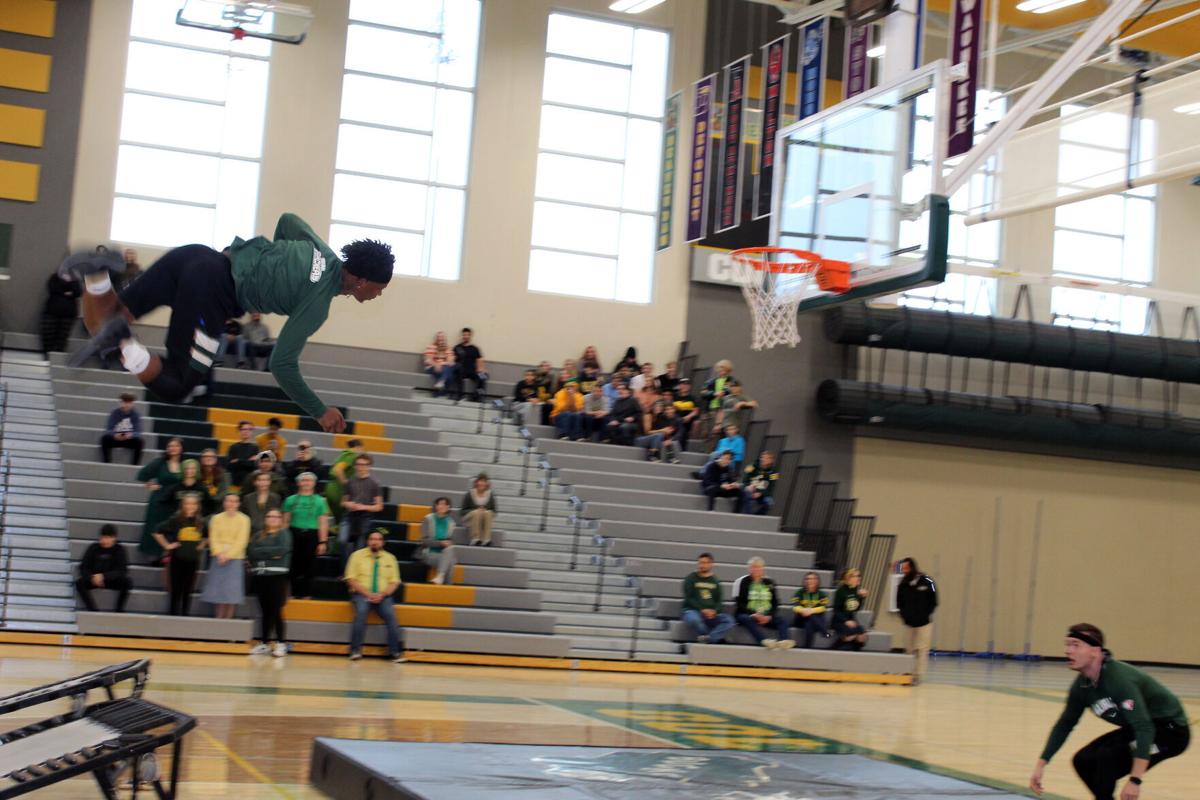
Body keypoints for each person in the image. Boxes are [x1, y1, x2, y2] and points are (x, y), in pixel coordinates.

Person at [62, 212, 394, 433]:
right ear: (363, 282)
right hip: (214, 293)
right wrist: (319, 410)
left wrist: (274, 258)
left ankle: (96, 275)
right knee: (180, 385)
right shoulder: (318, 305)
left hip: (195, 256)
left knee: (103, 321)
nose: (378, 297)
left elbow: (288, 221)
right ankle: (126, 344)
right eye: (380, 290)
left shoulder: (320, 249)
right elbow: (282, 364)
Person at [1029, 624, 1190, 800]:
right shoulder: (1082, 686)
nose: (1068, 651)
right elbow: (1065, 724)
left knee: (1107, 758)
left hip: (1171, 732)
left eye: (1075, 645)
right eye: (1067, 644)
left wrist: (1135, 781)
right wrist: (1041, 764)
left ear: (1095, 651)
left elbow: (1144, 728)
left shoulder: (1119, 680)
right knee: (1083, 760)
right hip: (1142, 727)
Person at [345, 529, 405, 662]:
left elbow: (394, 582)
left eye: (378, 540)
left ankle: (395, 653)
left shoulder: (390, 558)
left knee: (391, 616)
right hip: (361, 594)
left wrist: (381, 595)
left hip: (383, 596)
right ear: (368, 541)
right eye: (372, 539)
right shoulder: (356, 555)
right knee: (361, 613)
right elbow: (351, 579)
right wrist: (368, 594)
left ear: (382, 543)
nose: (374, 542)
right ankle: (355, 651)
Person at [246, 508, 292, 658]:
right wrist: (271, 553)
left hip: (277, 576)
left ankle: (280, 643)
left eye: (276, 517)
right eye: (269, 516)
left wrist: (263, 552)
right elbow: (252, 552)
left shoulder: (284, 534)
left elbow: (281, 550)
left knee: (276, 610)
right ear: (265, 519)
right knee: (265, 611)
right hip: (260, 575)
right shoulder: (258, 535)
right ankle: (264, 643)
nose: (272, 519)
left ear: (280, 519)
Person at [153, 493, 207, 616]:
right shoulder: (176, 519)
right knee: (176, 591)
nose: (190, 506)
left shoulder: (201, 521)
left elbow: (207, 536)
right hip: (177, 560)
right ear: (183, 505)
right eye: (187, 503)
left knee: (188, 591)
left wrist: (202, 545)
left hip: (193, 561)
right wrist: (167, 545)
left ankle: (184, 617)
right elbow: (157, 531)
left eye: (193, 503)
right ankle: (173, 617)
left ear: (197, 506)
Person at [201, 492, 250, 619]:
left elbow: (242, 540)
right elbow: (213, 538)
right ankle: (218, 621)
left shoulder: (244, 519)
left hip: (235, 559)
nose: (231, 503)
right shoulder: (216, 518)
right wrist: (219, 554)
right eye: (229, 500)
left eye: (235, 501)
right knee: (218, 592)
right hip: (218, 558)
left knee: (231, 593)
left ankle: (228, 624)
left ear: (239, 504)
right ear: (224, 503)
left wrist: (229, 555)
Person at [282, 472, 331, 599]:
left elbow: (323, 523)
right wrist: (283, 538)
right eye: (303, 480)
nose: (306, 483)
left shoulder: (320, 501)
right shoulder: (290, 500)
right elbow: (285, 521)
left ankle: (306, 594)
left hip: (312, 535)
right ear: (298, 483)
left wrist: (323, 542)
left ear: (314, 483)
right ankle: (292, 593)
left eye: (309, 480)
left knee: (309, 566)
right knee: (293, 565)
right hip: (294, 533)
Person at [136, 437, 184, 560]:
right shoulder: (160, 462)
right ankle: (154, 556)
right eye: (170, 446)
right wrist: (150, 485)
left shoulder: (185, 465)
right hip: (158, 501)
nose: (172, 448)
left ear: (181, 448)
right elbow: (142, 474)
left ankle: (167, 555)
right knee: (156, 527)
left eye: (176, 446)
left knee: (171, 528)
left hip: (176, 502)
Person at [732, 557, 794, 649]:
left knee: (782, 620)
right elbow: (739, 602)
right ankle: (763, 640)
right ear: (749, 569)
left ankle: (783, 641)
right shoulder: (742, 581)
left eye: (759, 567)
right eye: (754, 567)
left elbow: (775, 602)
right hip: (747, 614)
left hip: (766, 615)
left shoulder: (770, 582)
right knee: (745, 618)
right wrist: (753, 614)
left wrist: (769, 616)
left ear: (763, 569)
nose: (757, 569)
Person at [896, 557, 938, 683]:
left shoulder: (928, 580)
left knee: (922, 649)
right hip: (909, 623)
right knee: (909, 648)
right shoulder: (902, 584)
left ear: (913, 567)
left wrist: (926, 613)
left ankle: (918, 675)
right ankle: (908, 672)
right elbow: (899, 602)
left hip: (924, 623)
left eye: (906, 568)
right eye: (903, 569)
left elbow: (935, 600)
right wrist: (904, 616)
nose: (904, 571)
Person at [75, 524, 131, 613]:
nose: (105, 540)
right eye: (103, 537)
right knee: (79, 583)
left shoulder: (119, 549)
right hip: (94, 580)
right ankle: (93, 610)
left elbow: (122, 570)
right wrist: (92, 577)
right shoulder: (93, 548)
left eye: (108, 537)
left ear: (114, 538)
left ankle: (119, 610)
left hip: (111, 580)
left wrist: (104, 576)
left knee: (127, 582)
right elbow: (83, 567)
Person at [681, 553, 734, 644]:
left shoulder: (715, 582)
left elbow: (719, 602)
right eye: (700, 562)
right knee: (694, 620)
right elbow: (689, 598)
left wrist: (715, 612)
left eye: (705, 563)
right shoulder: (690, 578)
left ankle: (709, 639)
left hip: (710, 614)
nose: (702, 565)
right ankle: (716, 639)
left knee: (729, 620)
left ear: (711, 564)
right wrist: (702, 610)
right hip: (693, 611)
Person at [341, 455, 384, 561]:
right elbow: (343, 502)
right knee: (342, 541)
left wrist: (363, 507)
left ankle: (355, 572)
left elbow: (379, 506)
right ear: (355, 466)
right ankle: (344, 571)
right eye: (359, 464)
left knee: (360, 546)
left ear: (369, 466)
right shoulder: (350, 481)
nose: (361, 467)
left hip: (365, 517)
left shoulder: (375, 483)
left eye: (364, 465)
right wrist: (349, 504)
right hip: (349, 516)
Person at [41, 264, 81, 357]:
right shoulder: (55, 277)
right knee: (48, 338)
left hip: (68, 314)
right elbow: (52, 288)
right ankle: (47, 358)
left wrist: (65, 289)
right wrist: (67, 290)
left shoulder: (75, 279)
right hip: (52, 312)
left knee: (62, 340)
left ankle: (57, 361)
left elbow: (78, 292)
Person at [325, 438, 365, 524]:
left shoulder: (343, 455)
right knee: (342, 519)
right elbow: (338, 469)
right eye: (362, 449)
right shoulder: (351, 456)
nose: (362, 452)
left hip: (331, 487)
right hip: (337, 489)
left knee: (338, 518)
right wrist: (346, 483)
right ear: (358, 447)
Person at [420, 497, 458, 585]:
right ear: (436, 506)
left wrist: (449, 543)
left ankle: (440, 576)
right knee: (450, 562)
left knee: (450, 550)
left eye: (445, 504)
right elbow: (424, 540)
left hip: (444, 553)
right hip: (429, 553)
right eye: (440, 504)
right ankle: (448, 588)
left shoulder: (451, 523)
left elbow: (452, 540)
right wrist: (440, 543)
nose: (442, 506)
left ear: (448, 507)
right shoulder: (428, 519)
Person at [100, 392, 143, 465]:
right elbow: (108, 429)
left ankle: (134, 465)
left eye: (129, 402)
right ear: (120, 402)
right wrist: (115, 435)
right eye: (124, 402)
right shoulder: (114, 413)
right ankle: (106, 463)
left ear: (133, 403)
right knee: (105, 438)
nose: (126, 405)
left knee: (139, 442)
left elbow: (138, 431)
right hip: (115, 439)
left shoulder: (136, 415)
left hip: (128, 440)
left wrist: (130, 435)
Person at [791, 572, 831, 648]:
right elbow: (795, 607)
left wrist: (811, 611)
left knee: (809, 624)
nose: (810, 581)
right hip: (801, 618)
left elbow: (823, 608)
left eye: (813, 579)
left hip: (815, 619)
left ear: (817, 581)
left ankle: (807, 647)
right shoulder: (800, 592)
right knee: (811, 618)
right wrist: (803, 610)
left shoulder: (822, 594)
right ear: (805, 581)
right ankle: (824, 632)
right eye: (808, 579)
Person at [831, 569, 869, 650]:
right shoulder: (841, 591)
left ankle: (854, 655)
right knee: (852, 635)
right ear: (849, 578)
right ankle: (833, 649)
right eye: (856, 576)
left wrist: (862, 598)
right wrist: (846, 621)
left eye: (859, 576)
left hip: (850, 619)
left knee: (862, 637)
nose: (859, 578)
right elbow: (836, 610)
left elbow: (856, 608)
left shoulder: (856, 591)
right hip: (839, 620)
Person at [701, 359, 734, 446]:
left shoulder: (731, 381)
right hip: (710, 409)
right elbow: (703, 393)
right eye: (719, 368)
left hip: (722, 410)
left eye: (723, 368)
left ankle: (714, 454)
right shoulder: (711, 381)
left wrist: (723, 392)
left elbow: (728, 391)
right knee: (706, 433)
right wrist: (714, 394)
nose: (720, 370)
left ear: (728, 370)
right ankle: (705, 453)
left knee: (716, 434)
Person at [451, 327, 486, 402]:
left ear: (470, 336)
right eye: (464, 335)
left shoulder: (475, 348)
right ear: (462, 336)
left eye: (467, 335)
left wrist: (481, 369)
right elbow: (452, 359)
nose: (466, 336)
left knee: (484, 376)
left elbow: (479, 360)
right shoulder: (457, 347)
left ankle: (475, 396)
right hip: (461, 371)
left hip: (472, 371)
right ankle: (460, 396)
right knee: (458, 371)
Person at [461, 474, 497, 546]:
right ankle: (475, 539)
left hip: (484, 519)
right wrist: (476, 509)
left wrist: (485, 511)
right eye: (480, 481)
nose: (482, 483)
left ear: (487, 483)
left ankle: (486, 540)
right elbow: (462, 511)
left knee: (488, 512)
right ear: (476, 482)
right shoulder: (470, 493)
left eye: (484, 481)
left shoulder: (490, 494)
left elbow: (494, 511)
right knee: (477, 512)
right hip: (470, 519)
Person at [423, 331, 457, 397]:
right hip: (432, 368)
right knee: (449, 373)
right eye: (439, 337)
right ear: (436, 338)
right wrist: (436, 364)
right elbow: (427, 360)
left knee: (448, 370)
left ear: (445, 339)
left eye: (442, 337)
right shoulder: (431, 347)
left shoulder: (448, 349)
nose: (440, 339)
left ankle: (439, 386)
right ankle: (441, 387)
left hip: (444, 368)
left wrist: (441, 364)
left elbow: (451, 361)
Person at [225, 421, 259, 486]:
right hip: (234, 482)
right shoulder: (233, 447)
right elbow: (229, 466)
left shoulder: (255, 448)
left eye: (249, 429)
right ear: (239, 431)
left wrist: (238, 461)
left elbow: (254, 465)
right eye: (244, 429)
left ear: (252, 432)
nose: (246, 431)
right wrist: (247, 461)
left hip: (249, 483)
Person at [672, 379, 700, 452]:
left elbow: (696, 411)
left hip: (687, 423)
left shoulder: (693, 398)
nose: (684, 386)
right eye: (682, 384)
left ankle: (681, 452)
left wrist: (689, 416)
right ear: (679, 386)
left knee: (683, 436)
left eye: (686, 385)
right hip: (674, 421)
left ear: (689, 386)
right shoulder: (674, 397)